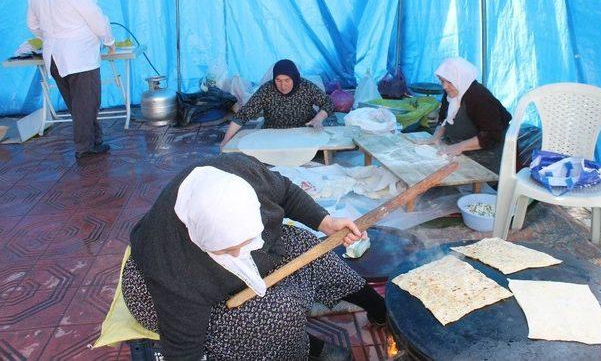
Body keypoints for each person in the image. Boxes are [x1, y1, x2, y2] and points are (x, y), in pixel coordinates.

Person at [123, 153, 387, 360]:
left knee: (310, 247)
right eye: (228, 249)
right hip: (157, 296)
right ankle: (304, 348)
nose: (241, 254)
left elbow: (285, 192)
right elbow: (183, 349)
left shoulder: (240, 174)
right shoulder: (177, 271)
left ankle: (378, 308)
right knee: (275, 315)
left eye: (247, 241)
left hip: (198, 273)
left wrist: (325, 222)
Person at [27, 0, 115, 159]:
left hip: (54, 58)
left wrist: (51, 36)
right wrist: (109, 41)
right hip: (79, 58)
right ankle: (85, 148)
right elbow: (98, 21)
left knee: (77, 105)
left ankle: (94, 140)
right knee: (87, 103)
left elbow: (32, 25)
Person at [220, 59, 334, 148]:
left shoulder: (306, 87)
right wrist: (225, 141)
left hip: (304, 133)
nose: (282, 86)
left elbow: (328, 102)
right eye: (278, 80)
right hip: (273, 135)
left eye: (287, 80)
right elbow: (244, 114)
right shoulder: (267, 90)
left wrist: (318, 118)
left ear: (295, 78)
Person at [426, 57, 511, 173]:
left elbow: (492, 135)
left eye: (449, 82)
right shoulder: (451, 92)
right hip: (463, 149)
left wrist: (458, 147)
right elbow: (443, 119)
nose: (444, 86)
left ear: (460, 78)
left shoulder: (480, 97)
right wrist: (435, 137)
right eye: (442, 81)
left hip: (486, 156)